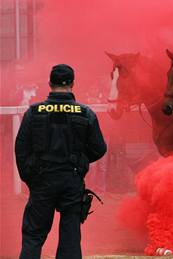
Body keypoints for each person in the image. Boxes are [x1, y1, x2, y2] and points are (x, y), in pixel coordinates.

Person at [15, 64, 107, 259]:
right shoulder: (85, 113)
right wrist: (80, 162)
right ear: (73, 83)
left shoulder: (33, 112)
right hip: (71, 180)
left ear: (50, 83)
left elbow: (21, 148)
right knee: (70, 239)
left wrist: (29, 179)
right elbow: (100, 148)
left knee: (33, 236)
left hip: (42, 180)